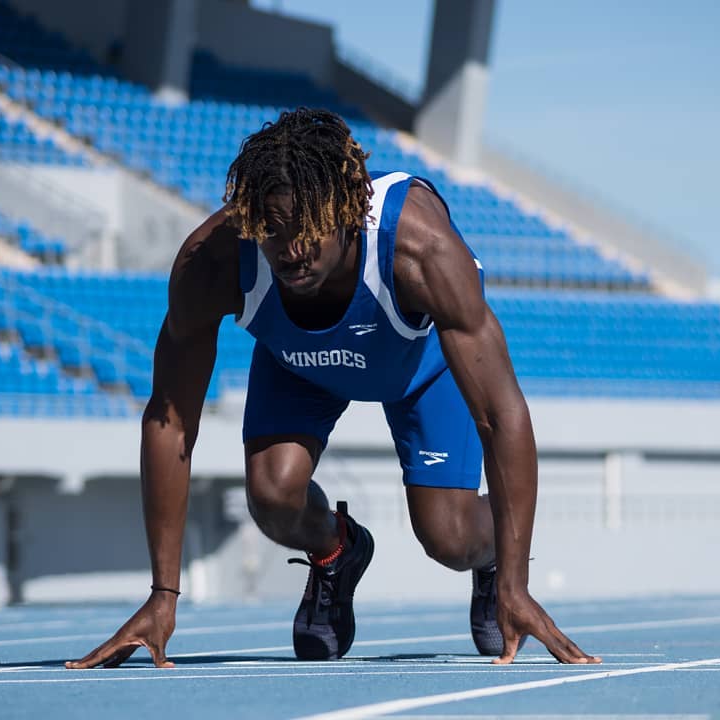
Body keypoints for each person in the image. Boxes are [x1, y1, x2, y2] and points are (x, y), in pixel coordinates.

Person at [66, 108, 600, 668]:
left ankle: (489, 562)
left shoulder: (420, 247)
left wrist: (516, 583)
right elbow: (170, 420)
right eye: (272, 232)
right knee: (271, 499)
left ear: (347, 213)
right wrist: (163, 594)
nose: (290, 251)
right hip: (300, 364)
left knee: (449, 538)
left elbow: (501, 414)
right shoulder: (215, 260)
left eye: (306, 230)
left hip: (419, 368)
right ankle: (336, 551)